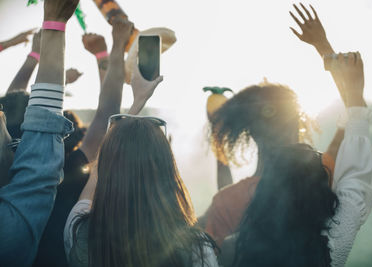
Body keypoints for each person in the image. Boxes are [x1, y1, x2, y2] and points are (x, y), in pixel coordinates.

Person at [64, 41, 218, 267]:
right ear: (167, 167)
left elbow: (97, 173)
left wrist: (136, 102)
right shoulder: (197, 248)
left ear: (108, 165)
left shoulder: (79, 231)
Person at [224, 52, 372, 267]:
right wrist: (354, 93)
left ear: (264, 190)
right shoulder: (333, 246)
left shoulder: (233, 248)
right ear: (322, 192)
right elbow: (357, 178)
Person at [33, 18, 133, 267]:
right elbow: (107, 113)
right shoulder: (65, 174)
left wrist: (35, 56)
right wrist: (114, 46)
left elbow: (15, 106)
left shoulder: (16, 176)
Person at [0, 0, 79, 265]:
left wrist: (37, 51)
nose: (18, 144)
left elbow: (19, 101)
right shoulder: (7, 234)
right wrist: (54, 25)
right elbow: (41, 132)